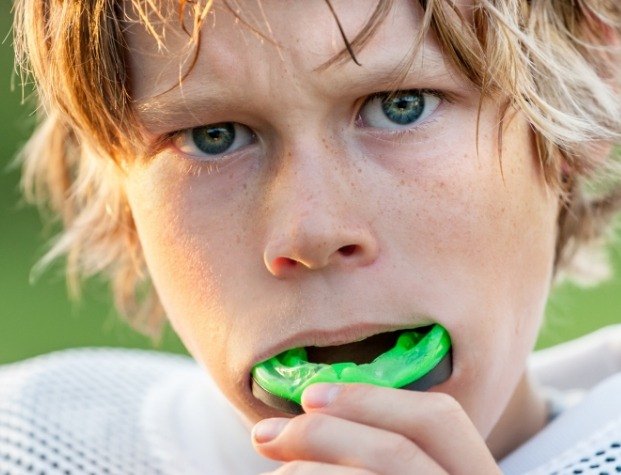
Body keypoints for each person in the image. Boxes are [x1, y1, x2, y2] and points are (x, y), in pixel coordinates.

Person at [2, 0, 621, 473]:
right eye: (213, 135)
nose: (311, 231)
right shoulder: (33, 442)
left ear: (592, 86)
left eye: (400, 104)